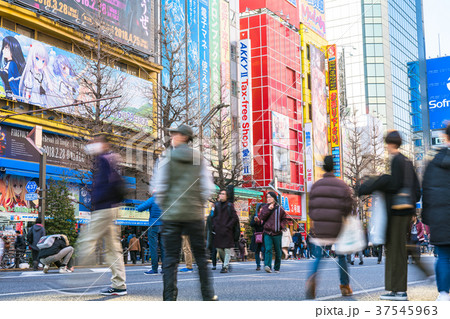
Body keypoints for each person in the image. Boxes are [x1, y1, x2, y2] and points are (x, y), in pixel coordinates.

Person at [152, 124, 217, 301]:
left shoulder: (167, 157)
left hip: (172, 215)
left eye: (175, 134)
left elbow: (161, 186)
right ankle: (208, 295)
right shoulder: (198, 158)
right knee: (201, 258)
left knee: (170, 259)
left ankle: (170, 298)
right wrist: (198, 204)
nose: (172, 137)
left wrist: (165, 206)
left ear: (183, 137)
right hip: (194, 214)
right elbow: (206, 186)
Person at [358, 130, 421, 301]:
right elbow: (417, 190)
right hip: (405, 213)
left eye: (386, 143)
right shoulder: (407, 161)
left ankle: (398, 290)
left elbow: (393, 184)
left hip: (396, 213)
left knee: (395, 250)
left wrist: (377, 181)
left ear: (390, 144)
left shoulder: (397, 160)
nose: (386, 147)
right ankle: (395, 289)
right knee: (396, 249)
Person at [76, 134, 127, 296]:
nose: (91, 145)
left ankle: (76, 279)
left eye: (94, 142)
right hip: (111, 208)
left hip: (104, 208)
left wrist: (99, 199)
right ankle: (119, 285)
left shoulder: (104, 160)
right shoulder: (111, 159)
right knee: (113, 248)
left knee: (87, 238)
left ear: (103, 144)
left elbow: (111, 184)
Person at [306, 155, 354, 299]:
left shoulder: (316, 185)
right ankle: (345, 286)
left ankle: (312, 279)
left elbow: (311, 208)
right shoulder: (342, 185)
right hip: (338, 227)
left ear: (323, 168)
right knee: (341, 256)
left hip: (320, 227)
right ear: (334, 167)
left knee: (319, 256)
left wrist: (314, 223)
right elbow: (348, 206)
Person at [422, 123, 450, 301]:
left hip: (440, 217)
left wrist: (426, 217)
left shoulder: (433, 161)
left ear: (445, 138)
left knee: (444, 256)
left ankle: (444, 294)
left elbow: (426, 190)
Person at [258, 191, 288, 273]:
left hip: (277, 232)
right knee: (268, 249)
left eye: (270, 197)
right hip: (267, 232)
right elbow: (262, 218)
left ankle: (277, 267)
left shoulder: (280, 208)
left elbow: (284, 219)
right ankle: (267, 266)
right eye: (267, 197)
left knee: (278, 251)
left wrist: (281, 226)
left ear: (274, 198)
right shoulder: (264, 208)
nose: (268, 199)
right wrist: (268, 209)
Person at [211, 189, 239, 273]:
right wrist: (215, 225)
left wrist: (228, 226)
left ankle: (225, 266)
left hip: (227, 231)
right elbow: (213, 217)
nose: (221, 195)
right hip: (219, 230)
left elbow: (234, 218)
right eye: (220, 194)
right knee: (219, 249)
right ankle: (225, 263)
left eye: (223, 194)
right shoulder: (217, 205)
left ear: (227, 196)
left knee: (227, 249)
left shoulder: (230, 206)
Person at [137, 193, 165, 273]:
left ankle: (154, 269)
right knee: (164, 248)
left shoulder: (153, 199)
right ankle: (165, 269)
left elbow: (140, 208)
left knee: (153, 248)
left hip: (154, 225)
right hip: (164, 225)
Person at [250, 203, 265, 270]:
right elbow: (251, 224)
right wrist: (255, 221)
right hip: (257, 235)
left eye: (263, 208)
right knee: (257, 251)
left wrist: (261, 222)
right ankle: (258, 265)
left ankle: (266, 264)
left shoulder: (266, 216)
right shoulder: (255, 215)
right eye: (260, 208)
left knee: (263, 249)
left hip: (264, 235)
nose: (261, 209)